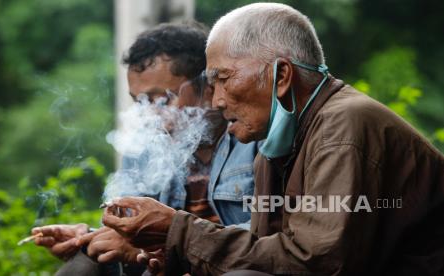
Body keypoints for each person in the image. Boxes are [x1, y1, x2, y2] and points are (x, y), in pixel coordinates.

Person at [100, 3, 444, 276]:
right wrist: (178, 254)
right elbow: (266, 249)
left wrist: (180, 231)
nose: (217, 100)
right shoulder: (276, 144)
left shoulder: (342, 127)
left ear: (281, 75)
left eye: (223, 79)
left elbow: (317, 264)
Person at [31, 21, 258, 274]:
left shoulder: (255, 138)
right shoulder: (145, 146)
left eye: (161, 100)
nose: (147, 115)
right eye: (139, 102)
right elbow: (128, 233)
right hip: (161, 265)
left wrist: (163, 247)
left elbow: (269, 238)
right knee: (86, 262)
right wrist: (89, 238)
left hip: (225, 266)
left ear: (208, 88)